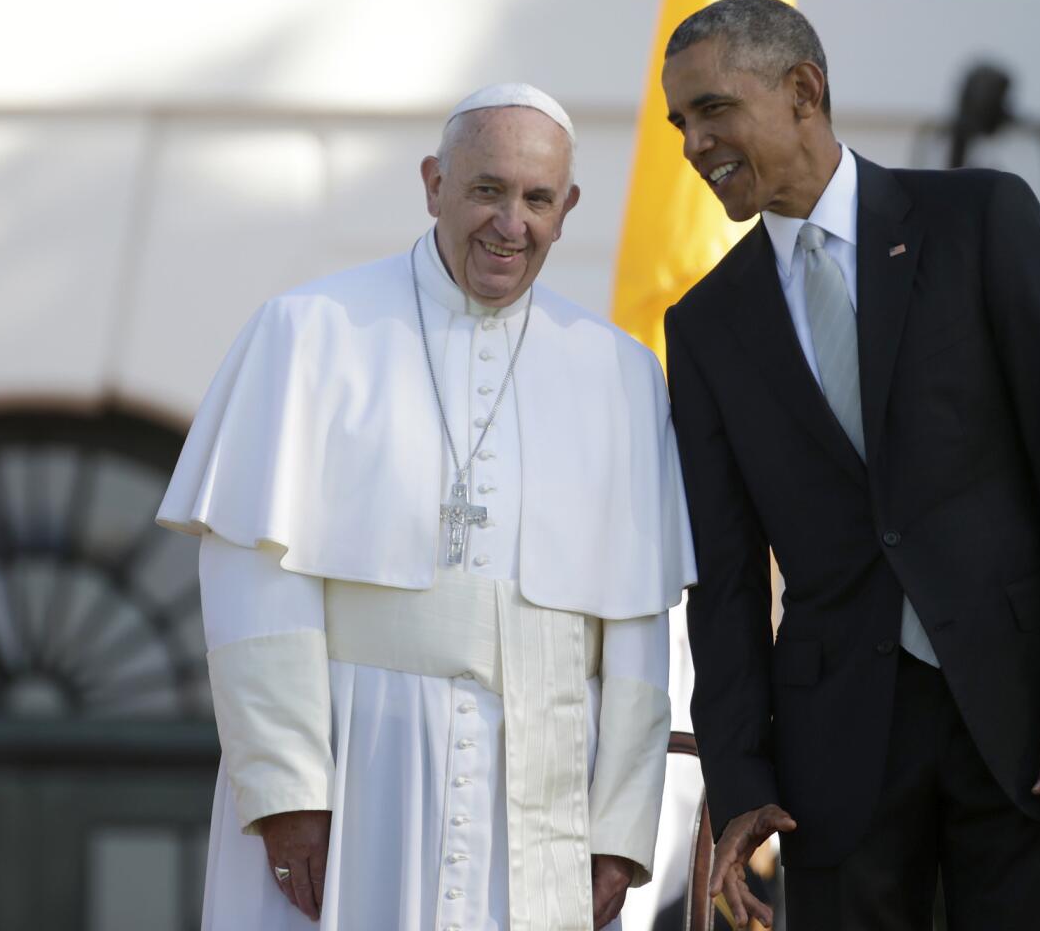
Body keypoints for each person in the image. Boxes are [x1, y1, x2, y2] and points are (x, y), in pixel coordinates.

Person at [659, 0, 1040, 930]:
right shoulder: (703, 324)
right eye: (680, 122)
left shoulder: (978, 220)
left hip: (1027, 738)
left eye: (712, 109)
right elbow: (722, 577)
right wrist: (740, 778)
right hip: (834, 762)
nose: (693, 142)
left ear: (803, 90)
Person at [158, 83, 694, 931]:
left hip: (544, 786)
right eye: (486, 190)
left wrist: (620, 829)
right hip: (358, 765)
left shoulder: (619, 374)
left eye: (536, 199)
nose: (509, 224)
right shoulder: (308, 331)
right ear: (433, 184)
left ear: (568, 210)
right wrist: (289, 788)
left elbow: (636, 621)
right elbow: (252, 577)